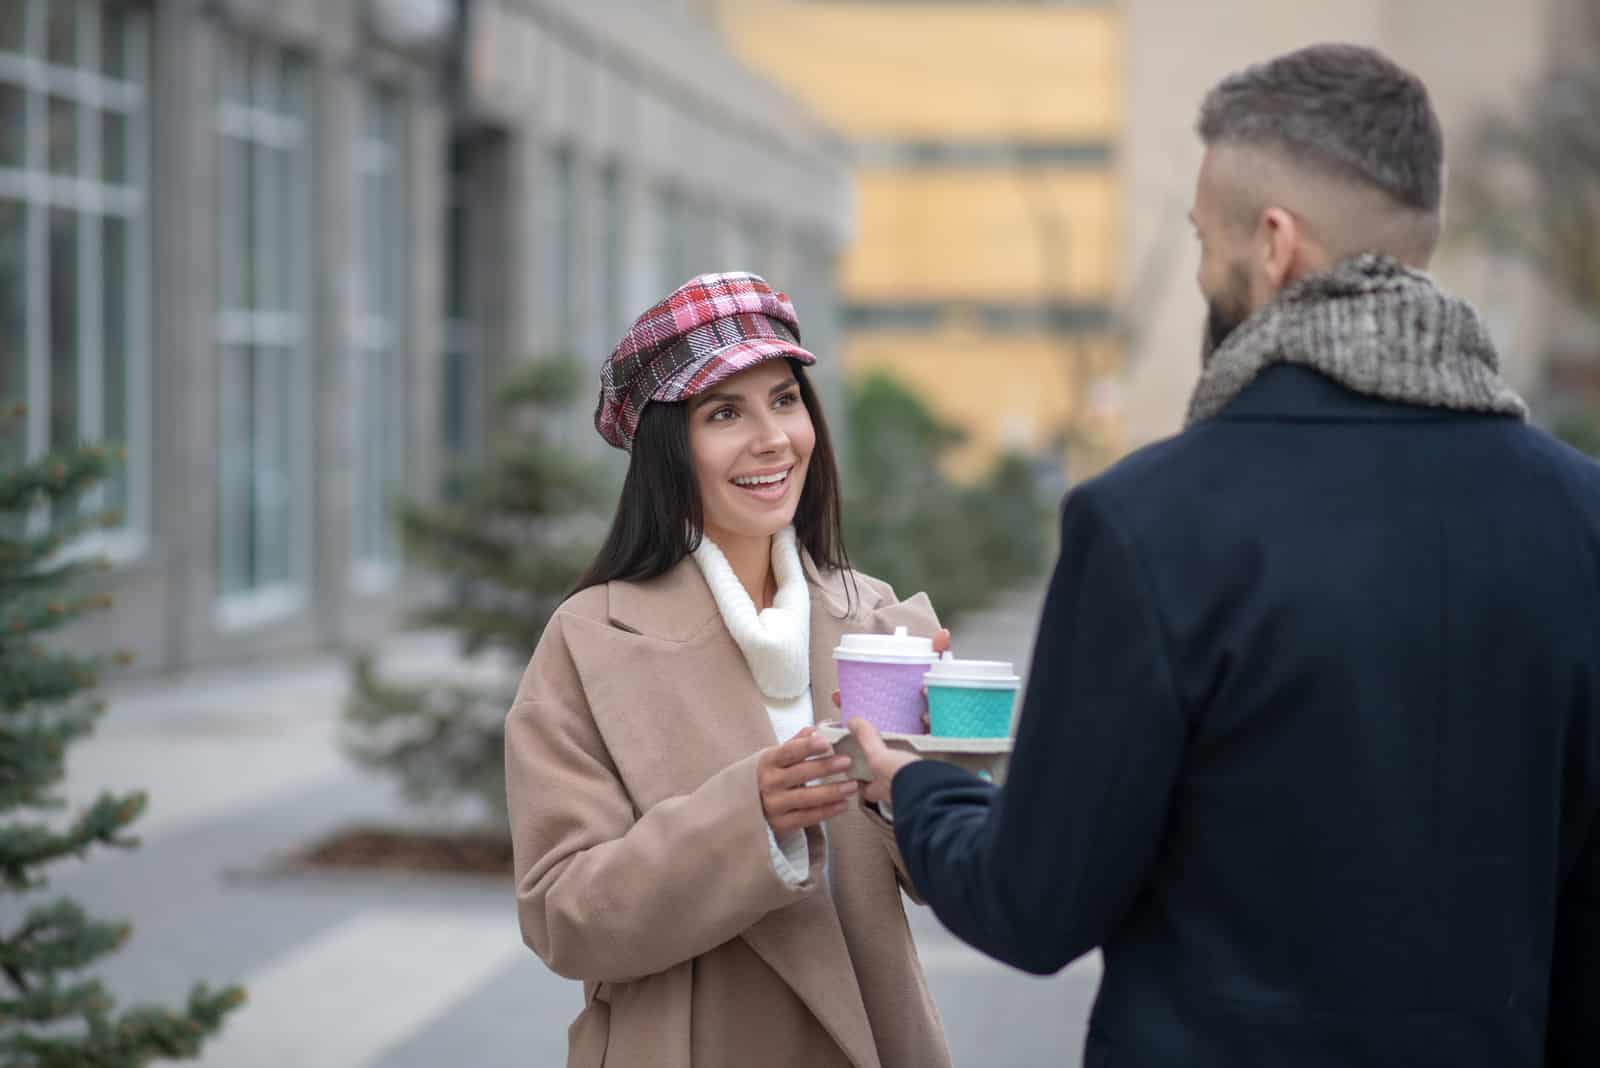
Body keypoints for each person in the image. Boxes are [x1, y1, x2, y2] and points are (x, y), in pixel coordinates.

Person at [850, 43, 1599, 1068]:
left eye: (1206, 239)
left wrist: (912, 788)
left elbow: (1036, 907)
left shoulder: (1150, 522)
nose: (1205, 270)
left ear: (1275, 242)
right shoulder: (1578, 514)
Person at [504, 272, 954, 1068]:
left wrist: (936, 763)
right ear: (668, 449)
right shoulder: (590, 640)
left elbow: (943, 878)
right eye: (724, 413)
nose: (773, 438)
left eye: (785, 400)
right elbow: (562, 916)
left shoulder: (874, 617)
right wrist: (750, 816)